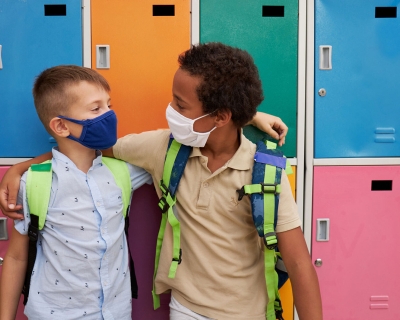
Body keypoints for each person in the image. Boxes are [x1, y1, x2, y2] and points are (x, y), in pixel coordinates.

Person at [0, 42, 321, 319]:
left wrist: (246, 114)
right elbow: (86, 146)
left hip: (248, 311)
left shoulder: (266, 172)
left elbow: (298, 262)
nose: (171, 110)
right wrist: (21, 169)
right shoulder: (163, 149)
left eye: (180, 105)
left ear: (222, 116)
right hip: (184, 308)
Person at [0, 65, 153, 319]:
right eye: (96, 109)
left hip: (115, 313)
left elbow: (168, 149)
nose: (109, 115)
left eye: (109, 105)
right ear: (60, 126)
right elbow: (16, 258)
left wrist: (18, 165)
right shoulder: (33, 183)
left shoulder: (124, 172)